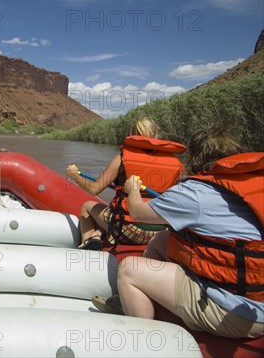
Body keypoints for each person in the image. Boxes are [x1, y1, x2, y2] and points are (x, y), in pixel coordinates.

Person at [95, 127, 263, 339]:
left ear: (195, 157)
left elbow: (138, 213)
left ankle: (143, 340)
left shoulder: (194, 193)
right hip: (254, 299)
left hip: (233, 313)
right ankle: (149, 294)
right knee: (161, 238)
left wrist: (133, 190)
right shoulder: (255, 188)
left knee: (129, 269)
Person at [66, 117, 185, 250]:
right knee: (110, 209)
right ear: (156, 135)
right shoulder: (175, 164)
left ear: (133, 135)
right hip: (161, 229)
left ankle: (88, 244)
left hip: (129, 229)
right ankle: (96, 235)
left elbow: (94, 189)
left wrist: (75, 176)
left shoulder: (121, 159)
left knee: (87, 206)